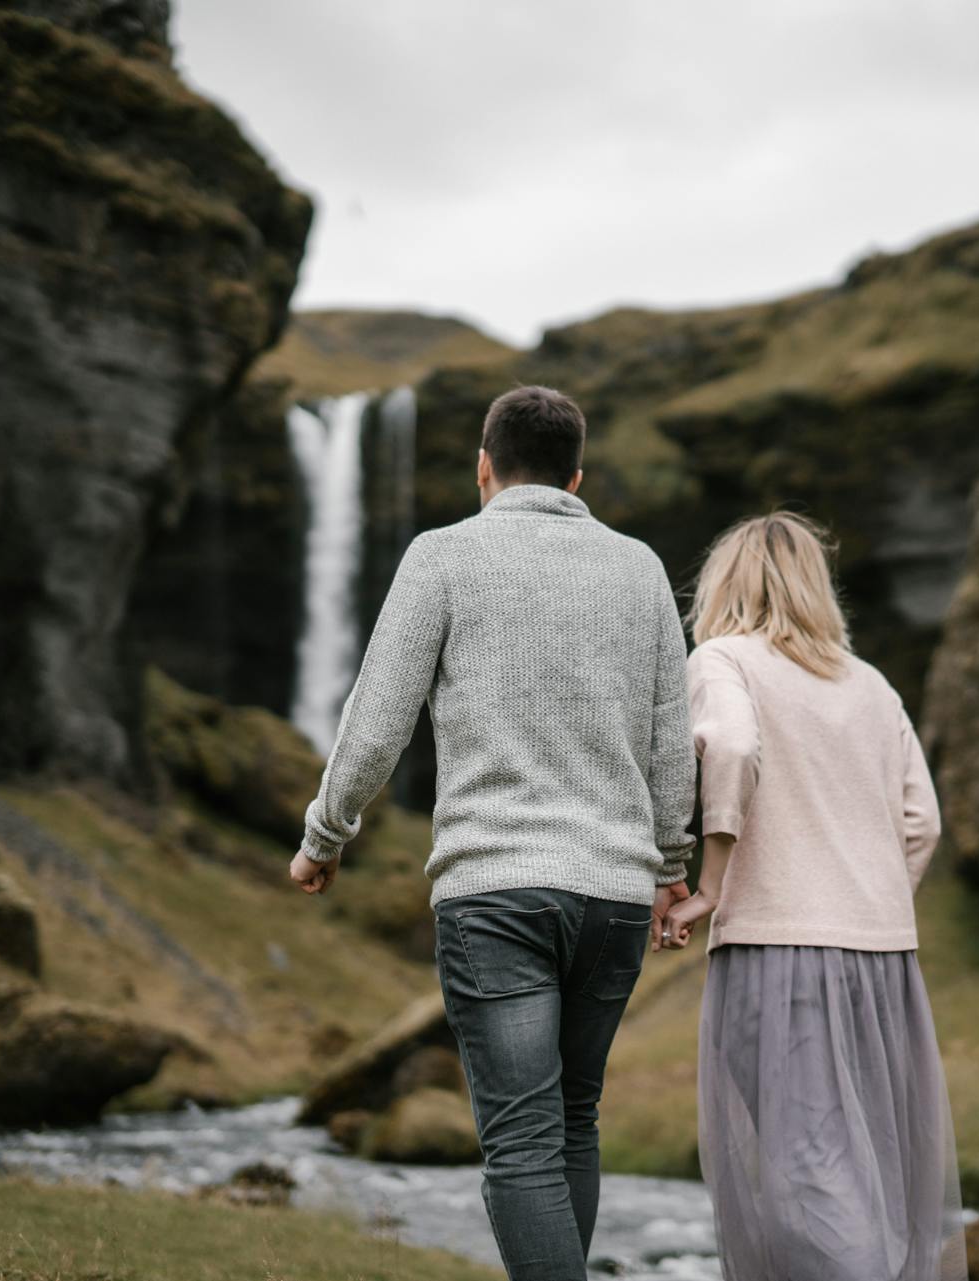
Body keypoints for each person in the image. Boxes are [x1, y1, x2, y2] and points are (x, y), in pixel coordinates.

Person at [288, 385, 697, 1281]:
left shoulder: (442, 556)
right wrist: (671, 867)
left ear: (484, 466)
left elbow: (376, 717)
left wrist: (325, 833)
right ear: (576, 477)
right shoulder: (639, 567)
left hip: (497, 893)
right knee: (572, 1118)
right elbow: (674, 739)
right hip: (617, 897)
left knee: (519, 1139)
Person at [660, 511, 968, 1281]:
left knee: (806, 1166)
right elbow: (921, 823)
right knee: (868, 1170)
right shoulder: (872, 684)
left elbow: (730, 744)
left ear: (725, 582)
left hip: (779, 949)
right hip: (885, 962)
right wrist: (866, 900)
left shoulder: (722, 659)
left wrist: (711, 884)